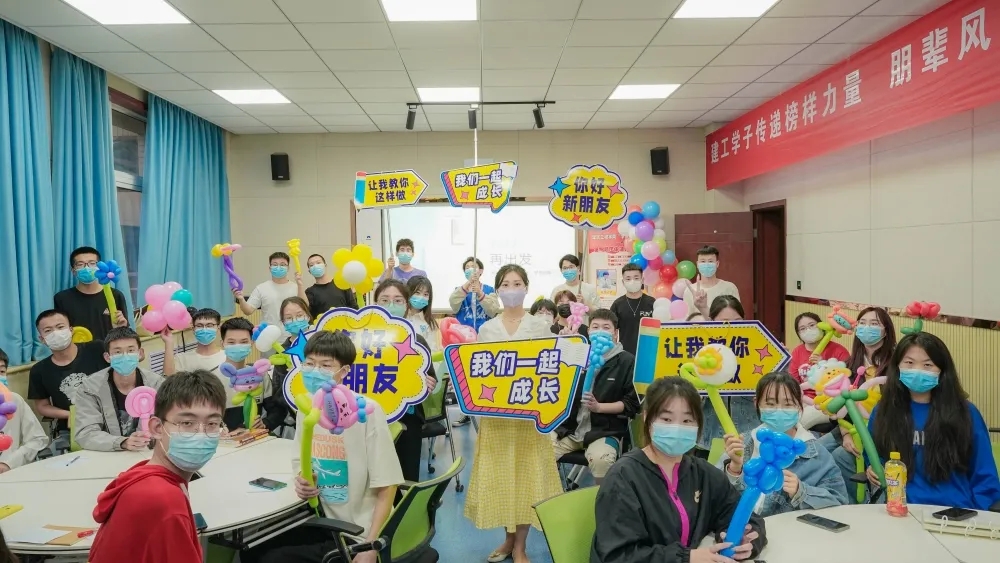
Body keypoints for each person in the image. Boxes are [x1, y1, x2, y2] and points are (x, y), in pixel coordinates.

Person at [243, 331, 403, 563]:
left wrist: (370, 547)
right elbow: (300, 460)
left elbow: (387, 485)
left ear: (344, 371)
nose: (315, 371)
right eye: (309, 364)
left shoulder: (366, 412)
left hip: (357, 532)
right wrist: (304, 479)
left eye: (326, 365)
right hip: (320, 518)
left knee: (271, 558)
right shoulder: (306, 408)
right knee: (251, 548)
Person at [592, 376, 767, 563]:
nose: (677, 428)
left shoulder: (702, 473)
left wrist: (745, 540)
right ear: (647, 419)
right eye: (666, 419)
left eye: (687, 420)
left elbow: (744, 516)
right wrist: (687, 558)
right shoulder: (623, 477)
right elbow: (618, 555)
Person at [465, 264, 563, 563]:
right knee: (503, 477)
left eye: (517, 283)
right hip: (497, 416)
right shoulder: (487, 329)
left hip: (529, 417)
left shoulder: (540, 326)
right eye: (505, 284)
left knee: (525, 477)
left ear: (526, 288)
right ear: (497, 290)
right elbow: (478, 372)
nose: (511, 289)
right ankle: (508, 539)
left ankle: (520, 545)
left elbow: (551, 370)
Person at [88, 370, 227, 563]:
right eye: (187, 423)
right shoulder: (164, 499)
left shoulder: (144, 473)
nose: (201, 434)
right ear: (156, 428)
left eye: (212, 423)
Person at [868, 332, 1000, 510]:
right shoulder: (883, 411)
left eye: (928, 365)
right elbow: (874, 457)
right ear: (897, 366)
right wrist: (872, 469)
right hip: (901, 511)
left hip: (955, 512)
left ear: (942, 370)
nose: (917, 371)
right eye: (909, 363)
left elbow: (984, 474)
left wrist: (979, 515)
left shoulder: (966, 413)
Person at [719, 372, 848, 516]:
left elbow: (840, 500)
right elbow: (712, 494)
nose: (779, 410)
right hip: (740, 527)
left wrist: (801, 491)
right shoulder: (743, 444)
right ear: (757, 404)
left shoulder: (816, 454)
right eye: (770, 404)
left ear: (799, 405)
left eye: (788, 404)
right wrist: (734, 470)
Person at [552, 310, 639, 485]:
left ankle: (602, 497)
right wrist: (564, 345)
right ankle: (552, 495)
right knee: (540, 452)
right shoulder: (578, 355)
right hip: (570, 430)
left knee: (601, 460)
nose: (600, 331)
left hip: (604, 431)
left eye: (606, 327)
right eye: (595, 327)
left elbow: (631, 403)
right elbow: (555, 384)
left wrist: (599, 407)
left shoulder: (627, 361)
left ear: (615, 332)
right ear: (588, 330)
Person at [820, 307, 897, 500]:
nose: (867, 327)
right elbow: (839, 402)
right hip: (849, 426)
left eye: (874, 323)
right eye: (862, 323)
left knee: (840, 456)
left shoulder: (896, 363)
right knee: (815, 450)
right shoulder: (849, 364)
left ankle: (860, 501)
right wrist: (846, 433)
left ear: (886, 331)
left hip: (880, 430)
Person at [373, 280, 438, 482]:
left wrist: (428, 383)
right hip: (370, 420)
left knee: (406, 479)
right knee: (376, 478)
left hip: (408, 420)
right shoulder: (362, 341)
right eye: (384, 300)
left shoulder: (417, 340)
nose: (391, 305)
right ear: (375, 304)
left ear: (406, 305)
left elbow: (431, 377)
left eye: (398, 300)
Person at [27, 309, 109, 454]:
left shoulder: (97, 349)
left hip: (110, 420)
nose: (56, 333)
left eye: (60, 327)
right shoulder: (39, 370)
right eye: (48, 330)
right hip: (71, 429)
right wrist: (70, 414)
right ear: (42, 339)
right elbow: (42, 406)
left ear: (71, 330)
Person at [75, 327, 164, 452]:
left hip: (148, 452)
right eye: (117, 352)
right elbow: (86, 433)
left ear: (140, 353)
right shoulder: (90, 388)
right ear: (107, 357)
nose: (125, 356)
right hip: (110, 453)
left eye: (131, 350)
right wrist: (122, 442)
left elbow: (169, 424)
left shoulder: (157, 384)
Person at [697, 296, 759, 452]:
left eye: (737, 321)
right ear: (711, 322)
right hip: (709, 439)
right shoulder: (700, 352)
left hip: (751, 437)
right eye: (724, 322)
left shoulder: (758, 349)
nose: (731, 327)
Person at [53, 246, 129, 341]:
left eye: (92, 263)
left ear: (99, 268)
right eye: (80, 264)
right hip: (77, 349)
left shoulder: (115, 295)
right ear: (73, 271)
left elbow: (124, 330)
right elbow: (60, 330)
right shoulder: (61, 298)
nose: (87, 268)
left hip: (108, 348)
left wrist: (122, 327)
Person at [218, 318, 271, 431]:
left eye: (243, 342)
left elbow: (275, 409)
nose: (238, 346)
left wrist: (265, 423)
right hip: (224, 439)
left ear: (252, 343)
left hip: (256, 437)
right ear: (222, 344)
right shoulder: (211, 379)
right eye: (231, 342)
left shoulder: (260, 374)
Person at [0, 349, 48, 473]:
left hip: (11, 474)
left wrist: (9, 463)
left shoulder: (14, 401)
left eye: (2, 371)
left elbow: (38, 439)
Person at [234, 251, 306, 332]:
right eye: (275, 264)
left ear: (288, 268)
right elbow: (248, 311)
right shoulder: (261, 288)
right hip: (268, 335)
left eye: (282, 264)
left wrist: (300, 285)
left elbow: (305, 306)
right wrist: (241, 299)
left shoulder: (296, 287)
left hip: (293, 334)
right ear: (270, 268)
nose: (278, 267)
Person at [161, 308, 225, 376]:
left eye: (209, 325)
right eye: (199, 326)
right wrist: (169, 343)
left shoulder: (227, 356)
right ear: (193, 329)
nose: (204, 329)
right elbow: (168, 377)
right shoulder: (182, 359)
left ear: (218, 328)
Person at [788, 312, 850, 382]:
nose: (808, 330)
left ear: (822, 326)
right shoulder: (797, 352)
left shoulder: (839, 350)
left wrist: (824, 365)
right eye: (802, 328)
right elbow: (793, 381)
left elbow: (847, 378)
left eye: (812, 325)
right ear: (798, 333)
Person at [609, 263, 654, 355]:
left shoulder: (652, 302)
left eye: (636, 278)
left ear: (642, 280)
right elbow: (612, 331)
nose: (632, 281)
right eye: (628, 279)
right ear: (623, 282)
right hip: (625, 354)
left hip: (649, 352)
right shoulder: (617, 304)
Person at [683, 246, 740, 319]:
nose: (706, 265)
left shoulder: (729, 288)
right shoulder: (690, 291)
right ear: (697, 264)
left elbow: (737, 319)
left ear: (717, 264)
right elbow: (687, 319)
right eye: (703, 261)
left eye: (710, 261)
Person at [449, 256, 498, 331]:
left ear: (481, 271)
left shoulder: (489, 290)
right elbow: (453, 304)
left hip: (485, 333)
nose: (470, 269)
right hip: (464, 333)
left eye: (473, 267)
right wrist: (469, 283)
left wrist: (480, 293)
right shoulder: (459, 291)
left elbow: (493, 311)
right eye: (467, 268)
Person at [305, 253, 358, 318]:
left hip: (346, 323)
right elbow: (309, 314)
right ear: (309, 271)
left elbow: (353, 307)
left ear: (325, 265)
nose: (315, 266)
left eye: (318, 263)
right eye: (311, 265)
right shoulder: (309, 292)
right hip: (323, 324)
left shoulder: (341, 283)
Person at [406, 276, 441, 353]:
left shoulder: (429, 322)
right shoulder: (400, 315)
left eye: (425, 294)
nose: (421, 297)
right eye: (417, 293)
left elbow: (432, 350)